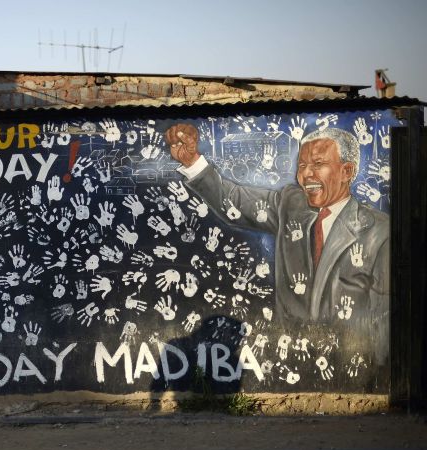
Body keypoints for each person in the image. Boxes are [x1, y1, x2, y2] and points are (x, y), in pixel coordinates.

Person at [164, 123, 390, 366]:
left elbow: (383, 317)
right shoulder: (291, 204)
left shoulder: (379, 231)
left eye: (318, 164)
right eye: (301, 166)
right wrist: (193, 162)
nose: (306, 175)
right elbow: (234, 201)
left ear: (347, 171)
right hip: (291, 360)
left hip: (349, 364)